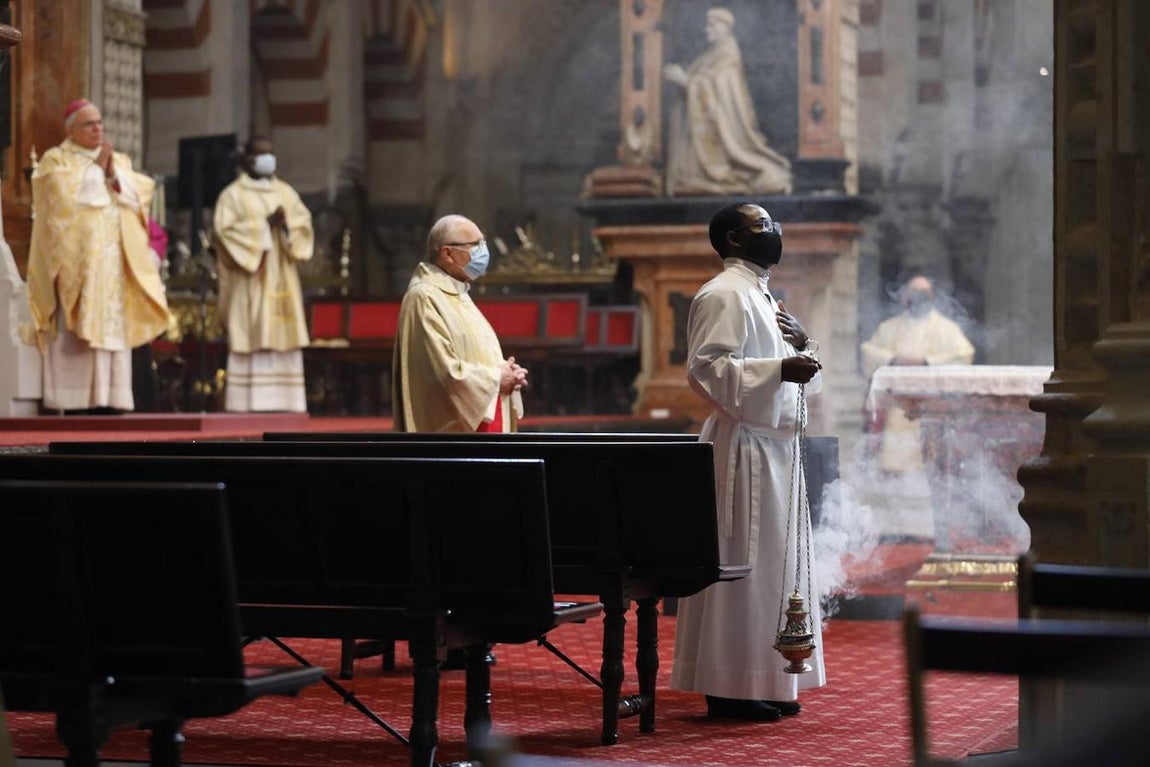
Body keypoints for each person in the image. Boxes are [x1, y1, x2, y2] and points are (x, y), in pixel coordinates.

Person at [670, 202, 825, 721]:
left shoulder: (759, 292)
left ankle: (768, 680)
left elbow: (791, 373)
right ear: (733, 239)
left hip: (775, 446)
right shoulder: (723, 293)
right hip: (745, 449)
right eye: (762, 226)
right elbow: (706, 369)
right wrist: (781, 365)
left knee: (775, 571)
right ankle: (728, 687)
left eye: (774, 223)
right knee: (744, 565)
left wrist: (802, 348)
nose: (774, 232)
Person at [25, 99, 171, 414]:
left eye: (100, 122)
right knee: (77, 331)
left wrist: (113, 176)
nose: (98, 128)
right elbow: (57, 200)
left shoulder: (118, 160)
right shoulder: (56, 160)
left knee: (113, 328)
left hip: (112, 265)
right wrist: (97, 172)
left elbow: (138, 196)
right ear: (71, 130)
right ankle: (73, 400)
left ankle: (112, 397)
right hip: (78, 265)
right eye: (89, 123)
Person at [391, 213, 528, 433]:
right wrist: (496, 378)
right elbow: (442, 374)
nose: (483, 252)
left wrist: (507, 371)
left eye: (483, 243)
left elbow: (474, 354)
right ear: (447, 253)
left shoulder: (458, 294)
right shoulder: (424, 298)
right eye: (475, 245)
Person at [212, 136, 314, 413]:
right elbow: (224, 233)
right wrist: (262, 227)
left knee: (283, 331)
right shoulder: (232, 195)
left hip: (281, 274)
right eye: (260, 154)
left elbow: (303, 227)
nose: (267, 158)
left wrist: (286, 226)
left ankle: (287, 403)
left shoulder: (286, 192)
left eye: (270, 153)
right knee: (253, 330)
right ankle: (246, 403)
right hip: (251, 278)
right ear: (246, 159)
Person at [663, 7, 792, 196]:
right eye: (707, 25)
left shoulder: (728, 57)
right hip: (694, 146)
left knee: (756, 169)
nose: (707, 30)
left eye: (712, 25)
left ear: (725, 28)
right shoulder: (709, 56)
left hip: (726, 135)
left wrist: (686, 82)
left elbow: (718, 95)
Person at [860, 275, 975, 474]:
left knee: (928, 461)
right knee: (893, 459)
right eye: (913, 292)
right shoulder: (889, 327)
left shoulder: (946, 329)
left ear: (931, 297)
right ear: (904, 296)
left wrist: (927, 362)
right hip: (895, 406)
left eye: (923, 293)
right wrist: (894, 359)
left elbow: (964, 355)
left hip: (931, 406)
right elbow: (869, 351)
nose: (918, 297)